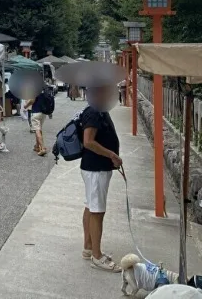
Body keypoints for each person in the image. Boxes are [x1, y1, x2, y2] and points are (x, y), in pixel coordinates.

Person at [80, 81, 122, 272]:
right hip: (96, 168)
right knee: (97, 211)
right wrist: (111, 155)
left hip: (95, 168)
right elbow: (88, 141)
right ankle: (97, 256)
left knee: (91, 206)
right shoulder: (94, 112)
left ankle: (89, 247)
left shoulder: (99, 110)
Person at [25, 89, 49, 156]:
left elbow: (32, 100)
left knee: (37, 130)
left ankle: (42, 148)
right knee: (39, 129)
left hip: (36, 112)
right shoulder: (44, 89)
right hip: (43, 113)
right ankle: (37, 146)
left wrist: (26, 105)